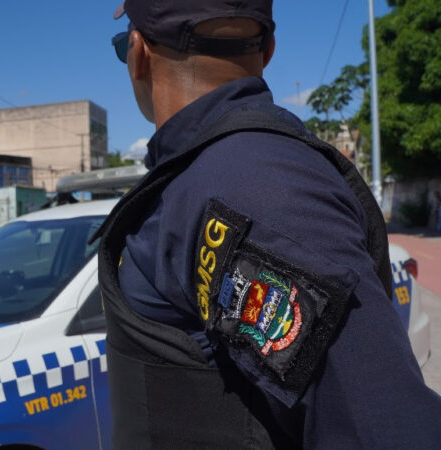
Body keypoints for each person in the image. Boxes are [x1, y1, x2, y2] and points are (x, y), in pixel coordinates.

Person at [95, 1, 441, 448]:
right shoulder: (209, 175)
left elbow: (388, 428)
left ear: (138, 53)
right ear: (269, 50)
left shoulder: (247, 185)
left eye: (123, 47)